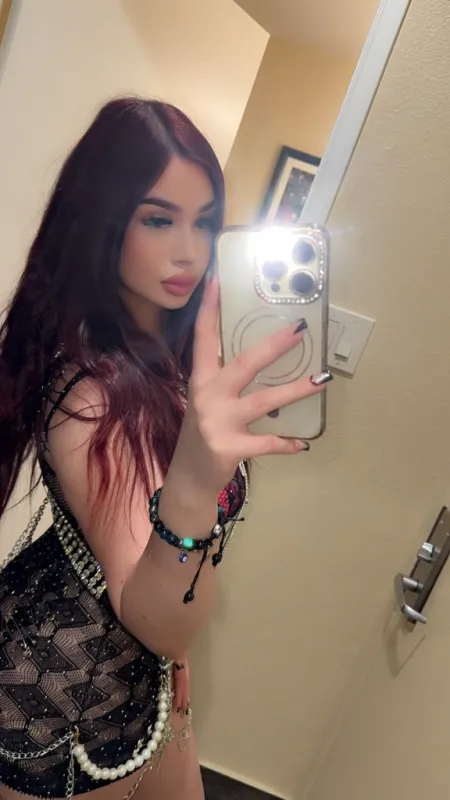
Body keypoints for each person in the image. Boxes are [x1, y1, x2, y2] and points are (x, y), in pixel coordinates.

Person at [0, 97, 332, 800]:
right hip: (53, 699)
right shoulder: (89, 388)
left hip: (148, 667)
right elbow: (147, 603)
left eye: (205, 222)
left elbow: (160, 598)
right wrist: (195, 485)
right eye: (158, 220)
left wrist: (173, 651)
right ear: (103, 221)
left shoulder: (175, 354)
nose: (190, 251)